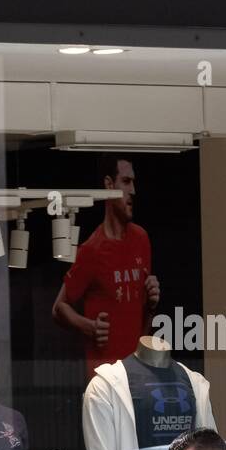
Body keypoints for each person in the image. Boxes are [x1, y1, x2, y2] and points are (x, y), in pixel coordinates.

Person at [51, 156, 161, 377]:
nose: (134, 191)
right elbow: (58, 308)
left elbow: (143, 323)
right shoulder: (93, 249)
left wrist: (151, 304)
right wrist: (88, 326)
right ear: (109, 185)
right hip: (105, 379)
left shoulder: (141, 239)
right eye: (126, 182)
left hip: (137, 374)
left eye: (133, 182)